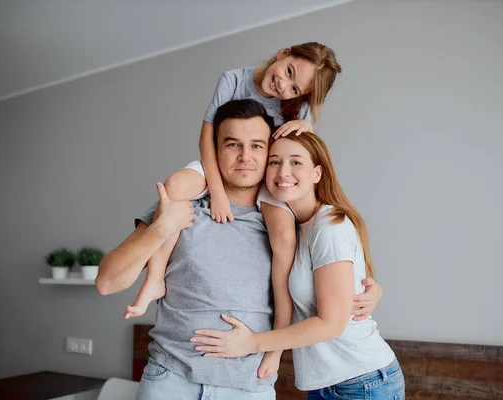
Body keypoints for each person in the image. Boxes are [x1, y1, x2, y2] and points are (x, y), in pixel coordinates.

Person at [96, 100, 384, 399]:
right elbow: (107, 282)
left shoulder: (290, 225)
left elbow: (330, 283)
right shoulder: (182, 205)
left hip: (249, 387)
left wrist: (371, 291)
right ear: (214, 152)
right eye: (233, 144)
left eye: (257, 146)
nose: (245, 156)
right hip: (171, 380)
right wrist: (160, 227)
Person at [125, 41, 342, 379]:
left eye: (295, 87)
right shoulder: (234, 79)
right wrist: (217, 192)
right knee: (177, 186)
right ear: (283, 52)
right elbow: (206, 138)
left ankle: (275, 346)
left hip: (264, 176)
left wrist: (307, 128)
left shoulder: (297, 106)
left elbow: (302, 148)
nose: (283, 87)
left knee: (285, 241)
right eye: (287, 72)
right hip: (219, 166)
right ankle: (155, 279)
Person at [190, 132, 405, 399]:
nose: (283, 172)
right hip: (327, 384)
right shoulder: (298, 226)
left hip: (362, 382)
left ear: (317, 173)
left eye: (296, 162)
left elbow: (331, 324)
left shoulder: (330, 227)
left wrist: (253, 343)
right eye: (274, 162)